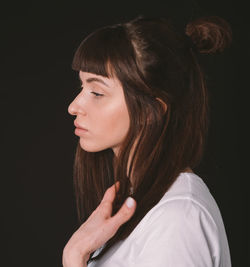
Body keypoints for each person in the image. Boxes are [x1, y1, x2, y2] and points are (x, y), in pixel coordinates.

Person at [62, 14, 232, 267]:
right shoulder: (143, 202)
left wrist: (74, 258)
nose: (74, 107)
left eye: (97, 92)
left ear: (152, 109)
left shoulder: (178, 218)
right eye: (82, 88)